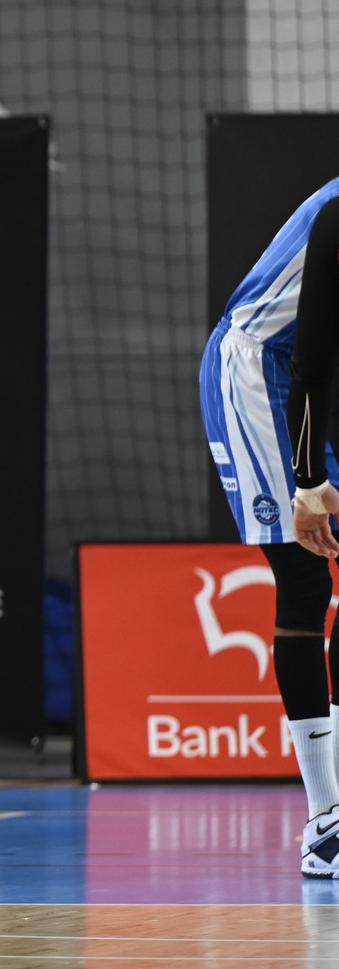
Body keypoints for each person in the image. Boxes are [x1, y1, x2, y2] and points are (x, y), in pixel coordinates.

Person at [200, 178, 339, 878]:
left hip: (314, 378)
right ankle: (326, 822)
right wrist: (307, 484)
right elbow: (310, 355)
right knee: (306, 582)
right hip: (258, 370)